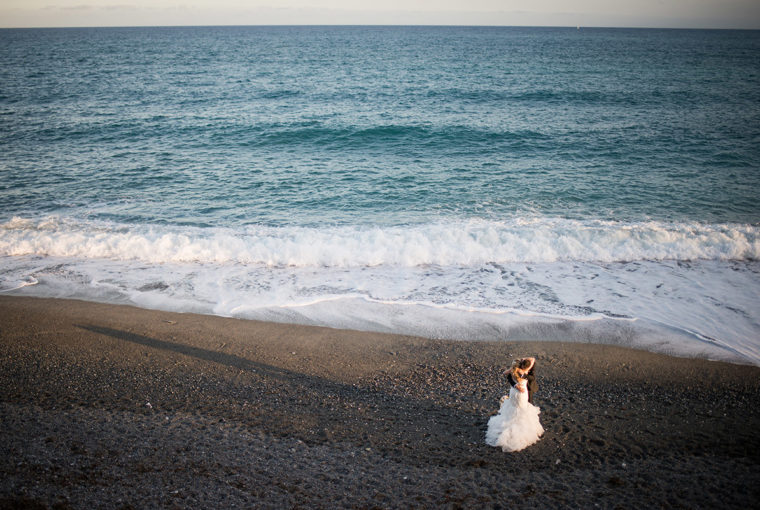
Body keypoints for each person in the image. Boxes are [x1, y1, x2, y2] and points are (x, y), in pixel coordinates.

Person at [485, 357, 544, 452]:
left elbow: (506, 375)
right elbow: (532, 359)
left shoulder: (513, 371)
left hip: (514, 393)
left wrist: (514, 369)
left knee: (513, 409)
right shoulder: (524, 371)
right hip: (522, 394)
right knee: (522, 409)